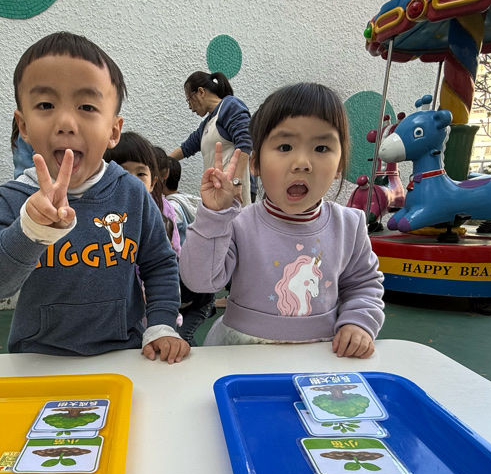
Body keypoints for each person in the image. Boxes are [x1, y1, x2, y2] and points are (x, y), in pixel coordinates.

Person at [0, 32, 189, 363]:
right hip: (39, 360)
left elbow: (159, 263)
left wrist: (161, 324)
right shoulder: (15, 197)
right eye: (45, 105)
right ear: (23, 126)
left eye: (86, 107)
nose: (66, 123)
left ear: (114, 130)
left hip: (124, 354)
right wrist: (30, 230)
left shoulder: (131, 193)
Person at [179, 82, 384, 357]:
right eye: (285, 146)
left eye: (321, 148)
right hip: (240, 355)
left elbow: (363, 285)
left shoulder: (350, 226)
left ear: (339, 165)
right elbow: (200, 281)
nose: (302, 163)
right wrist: (213, 215)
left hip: (322, 355)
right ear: (255, 164)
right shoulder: (238, 223)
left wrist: (358, 323)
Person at [169, 71, 254, 204]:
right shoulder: (206, 124)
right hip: (215, 194)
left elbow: (245, 143)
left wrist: (237, 182)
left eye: (189, 100)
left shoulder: (230, 106)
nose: (190, 107)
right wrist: (160, 162)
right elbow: (186, 148)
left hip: (233, 191)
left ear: (201, 92)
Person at [159, 155, 216, 345]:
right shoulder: (188, 200)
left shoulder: (171, 209)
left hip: (196, 296)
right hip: (189, 291)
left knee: (183, 337)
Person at [105, 132, 180, 256]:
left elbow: (174, 253)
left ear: (152, 182)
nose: (133, 181)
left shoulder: (161, 215)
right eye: (122, 173)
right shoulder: (101, 215)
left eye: (140, 174)